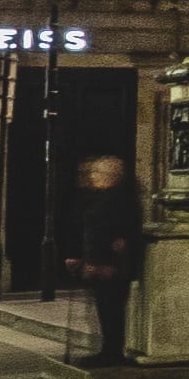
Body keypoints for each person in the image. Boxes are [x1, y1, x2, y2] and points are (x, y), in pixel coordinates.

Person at [61, 151, 143, 365]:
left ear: (111, 175)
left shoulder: (120, 199)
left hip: (112, 267)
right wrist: (83, 259)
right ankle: (108, 349)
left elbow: (118, 236)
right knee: (103, 309)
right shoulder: (98, 197)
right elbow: (90, 230)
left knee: (112, 309)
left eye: (98, 172)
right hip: (98, 264)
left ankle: (113, 352)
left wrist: (105, 263)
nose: (93, 175)